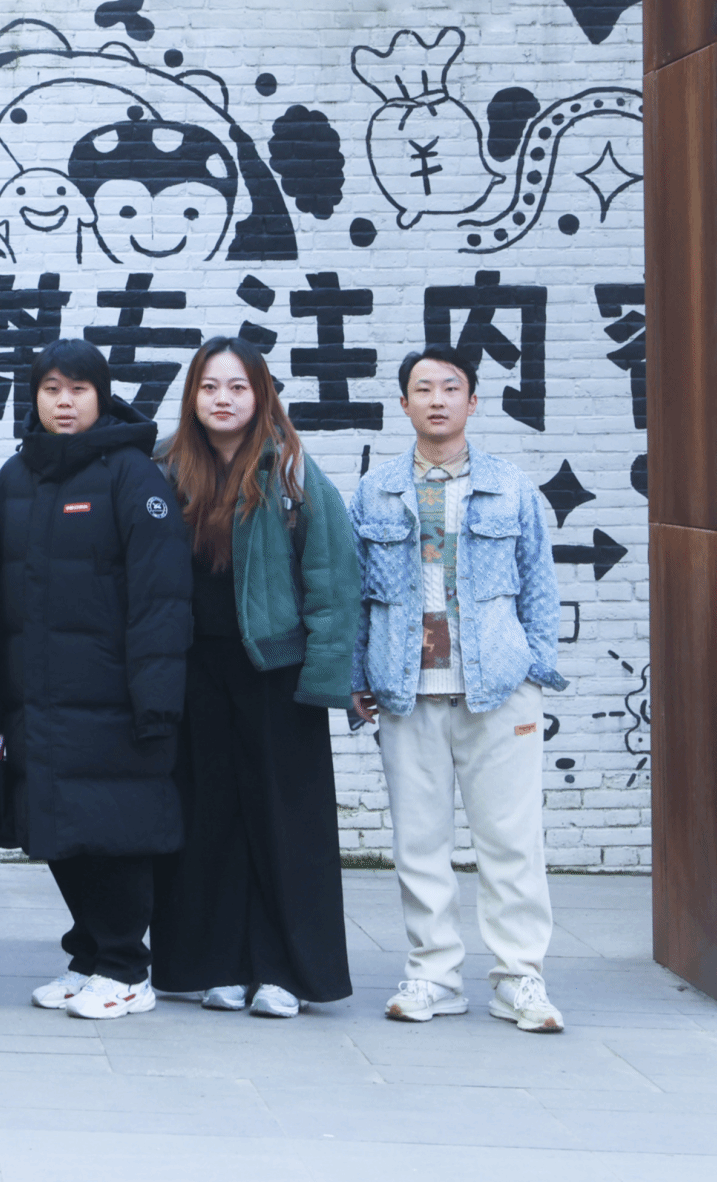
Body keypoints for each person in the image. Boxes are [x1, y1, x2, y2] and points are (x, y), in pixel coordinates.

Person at [351, 344, 569, 1032]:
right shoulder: (375, 490)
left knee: (512, 842)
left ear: (472, 402)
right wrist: (357, 678)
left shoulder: (512, 486)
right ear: (404, 404)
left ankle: (520, 978)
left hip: (498, 689)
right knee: (419, 844)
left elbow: (540, 586)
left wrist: (534, 670)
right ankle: (433, 975)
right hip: (406, 690)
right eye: (423, 389)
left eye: (450, 388)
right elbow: (356, 596)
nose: (437, 399)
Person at [150, 338, 359, 1018]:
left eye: (238, 387)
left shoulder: (291, 470)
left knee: (285, 825)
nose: (223, 399)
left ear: (261, 395)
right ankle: (217, 965)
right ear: (192, 396)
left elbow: (333, 580)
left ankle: (282, 973)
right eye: (210, 386)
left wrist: (326, 677)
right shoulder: (166, 469)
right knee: (207, 819)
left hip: (277, 670)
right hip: (194, 671)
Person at [0, 339, 191, 1020]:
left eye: (78, 389)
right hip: (38, 698)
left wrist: (156, 700)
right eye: (51, 389)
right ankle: (89, 956)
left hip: (112, 698)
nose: (65, 402)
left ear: (100, 397)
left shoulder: (133, 476)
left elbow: (162, 599)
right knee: (56, 829)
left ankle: (127, 970)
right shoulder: (16, 476)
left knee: (116, 832)